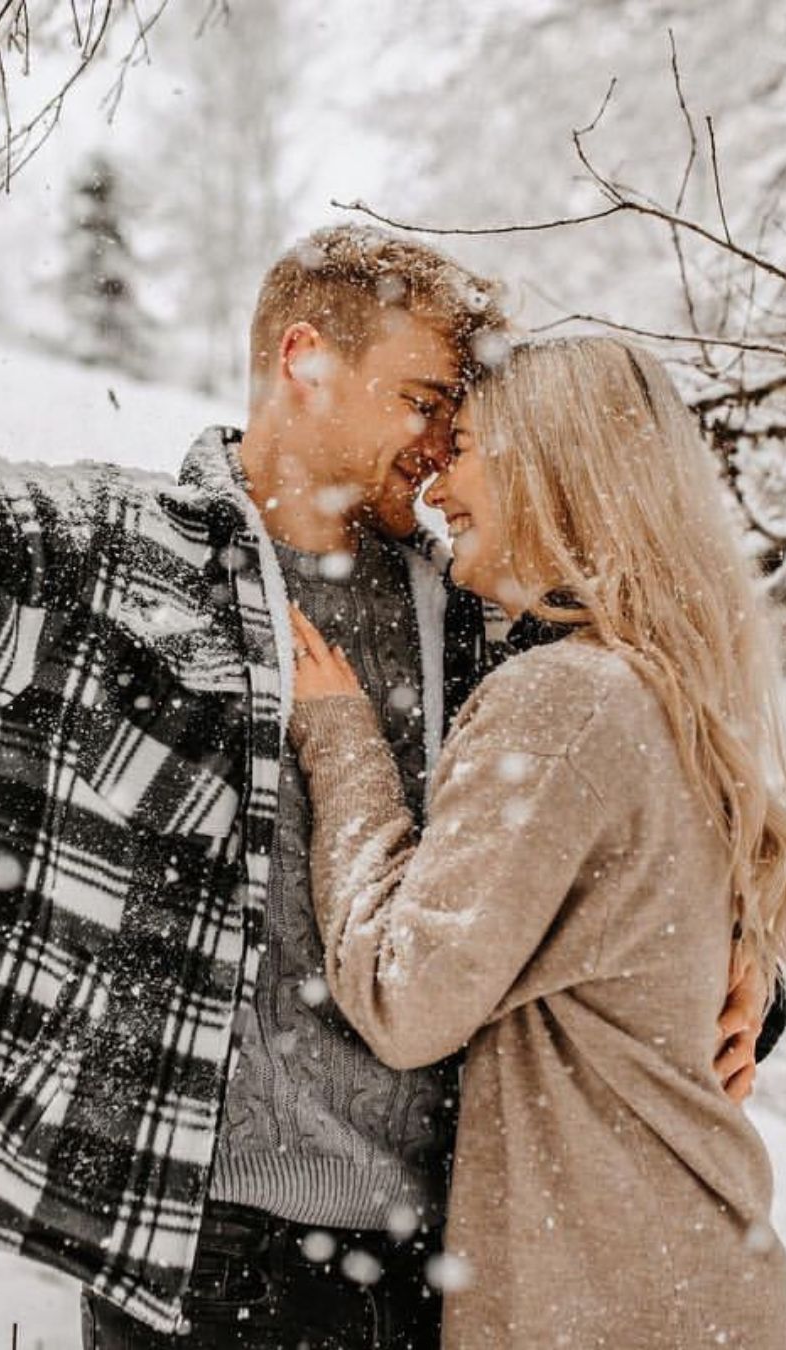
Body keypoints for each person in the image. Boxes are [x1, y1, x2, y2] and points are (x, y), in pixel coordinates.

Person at [0, 5, 779, 1345]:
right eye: (427, 398)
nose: (448, 446)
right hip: (195, 1259)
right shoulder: (104, 565)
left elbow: (666, 809)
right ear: (303, 359)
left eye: (463, 416)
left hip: (456, 1264)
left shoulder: (494, 618)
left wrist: (748, 970)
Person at [288, 336, 786, 1347]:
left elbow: (405, 994)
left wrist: (341, 740)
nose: (438, 481)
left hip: (608, 1302)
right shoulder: (666, 690)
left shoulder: (566, 700)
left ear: (551, 464)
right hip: (678, 1276)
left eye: (465, 444)